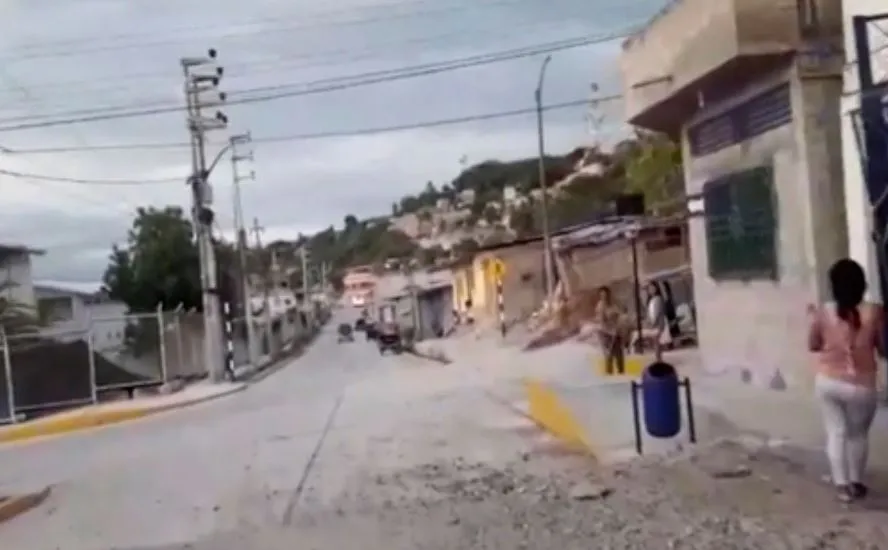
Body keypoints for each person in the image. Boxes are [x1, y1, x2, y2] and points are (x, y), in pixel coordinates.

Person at [808, 258, 884, 502]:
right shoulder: (875, 312)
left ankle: (841, 486)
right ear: (862, 284)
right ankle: (856, 483)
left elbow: (813, 345)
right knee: (858, 435)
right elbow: (883, 349)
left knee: (836, 432)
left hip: (829, 381)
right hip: (862, 385)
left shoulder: (823, 312)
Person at [595, 285, 625, 375]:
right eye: (602, 295)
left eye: (606, 295)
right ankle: (609, 373)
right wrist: (610, 324)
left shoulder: (614, 304)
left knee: (619, 354)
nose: (604, 297)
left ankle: (621, 373)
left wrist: (617, 326)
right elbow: (602, 321)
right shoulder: (600, 306)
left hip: (616, 332)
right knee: (609, 355)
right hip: (606, 333)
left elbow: (620, 315)